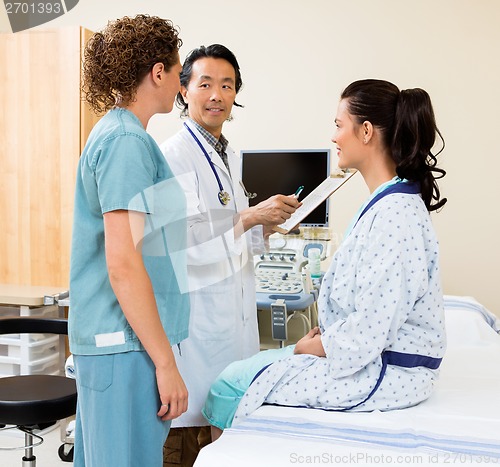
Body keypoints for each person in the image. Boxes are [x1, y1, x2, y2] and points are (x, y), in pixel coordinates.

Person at [202, 78, 448, 438]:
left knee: (230, 387)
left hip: (390, 372)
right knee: (248, 371)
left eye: (338, 125)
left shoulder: (395, 214)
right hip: (369, 354)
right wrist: (326, 338)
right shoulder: (388, 202)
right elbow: (373, 309)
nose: (333, 137)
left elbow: (372, 327)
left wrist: (316, 347)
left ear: (365, 132)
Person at [159, 44, 301, 466]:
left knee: (220, 447)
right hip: (197, 336)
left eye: (227, 85)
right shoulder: (173, 157)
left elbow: (232, 237)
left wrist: (263, 227)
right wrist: (248, 216)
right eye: (205, 84)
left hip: (229, 334)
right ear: (184, 91)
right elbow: (182, 246)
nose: (217, 95)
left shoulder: (226, 157)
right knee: (187, 449)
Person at [69, 15, 190, 467]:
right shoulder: (126, 143)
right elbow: (123, 262)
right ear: (158, 72)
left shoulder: (119, 133)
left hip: (119, 344)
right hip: (125, 347)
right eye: (179, 71)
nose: (181, 82)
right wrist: (165, 364)